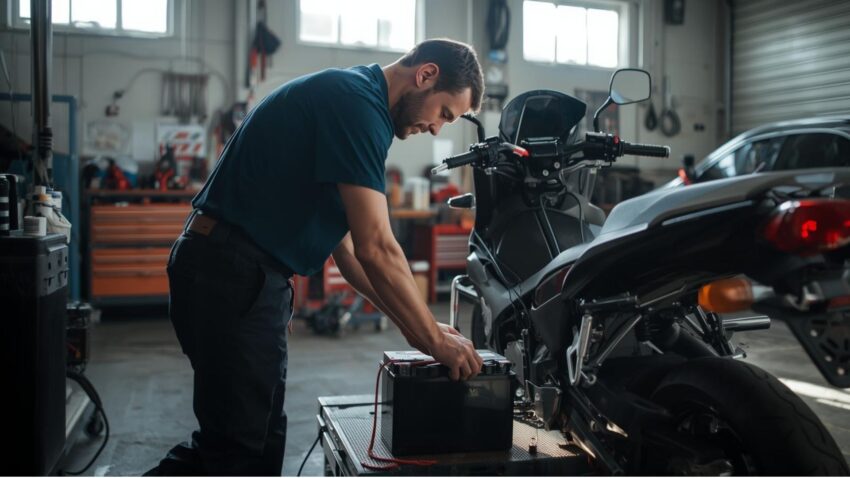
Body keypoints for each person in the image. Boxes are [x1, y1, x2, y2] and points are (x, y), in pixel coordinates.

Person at [146, 38, 486, 476]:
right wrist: (432, 340)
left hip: (244, 277)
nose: (438, 129)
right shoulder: (357, 105)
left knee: (263, 436)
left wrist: (416, 322)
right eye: (443, 114)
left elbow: (350, 255)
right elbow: (377, 246)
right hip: (230, 273)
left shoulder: (359, 104)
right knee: (231, 451)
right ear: (425, 75)